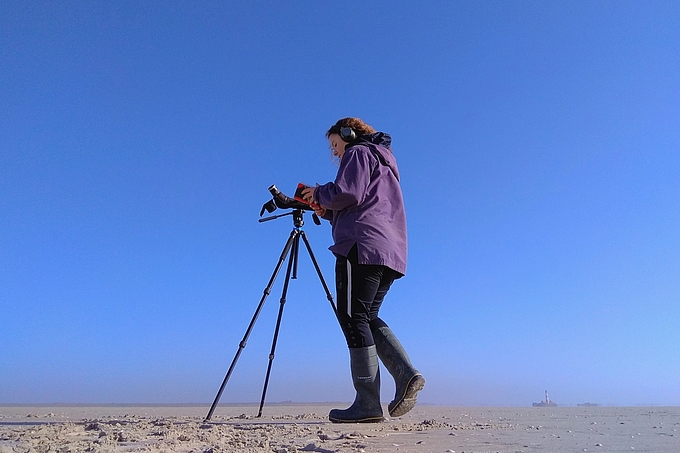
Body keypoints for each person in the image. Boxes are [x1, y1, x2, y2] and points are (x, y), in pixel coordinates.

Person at [301, 117, 425, 423]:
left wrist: (318, 193)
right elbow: (363, 202)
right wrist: (327, 210)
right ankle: (406, 375)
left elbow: (348, 192)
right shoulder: (384, 161)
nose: (335, 152)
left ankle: (368, 402)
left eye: (335, 144)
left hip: (360, 246)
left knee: (351, 316)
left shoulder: (358, 152)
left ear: (349, 133)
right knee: (365, 316)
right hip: (389, 251)